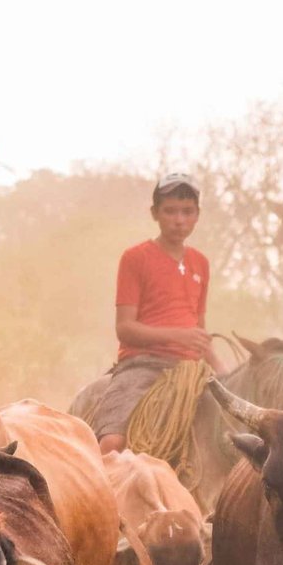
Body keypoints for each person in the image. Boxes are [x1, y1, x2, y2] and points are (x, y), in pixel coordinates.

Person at [93, 172, 223, 455]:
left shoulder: (200, 263)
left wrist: (224, 373)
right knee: (112, 443)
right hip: (142, 366)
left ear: (197, 215)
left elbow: (199, 330)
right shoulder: (136, 257)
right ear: (155, 213)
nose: (179, 219)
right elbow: (125, 328)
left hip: (192, 370)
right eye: (170, 211)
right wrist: (180, 335)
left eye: (187, 212)